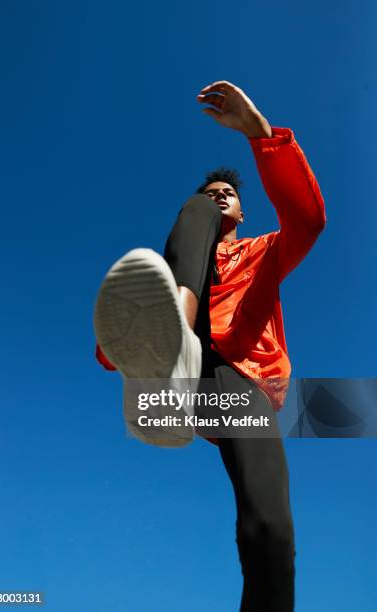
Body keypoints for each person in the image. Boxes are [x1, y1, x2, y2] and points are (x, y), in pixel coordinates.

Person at [94, 80, 326, 612]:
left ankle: (168, 368)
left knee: (270, 530)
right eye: (214, 193)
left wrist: (260, 135)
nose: (220, 198)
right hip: (184, 359)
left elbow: (309, 220)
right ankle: (171, 344)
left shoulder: (264, 252)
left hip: (237, 382)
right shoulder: (180, 247)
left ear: (244, 214)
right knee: (192, 217)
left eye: (229, 196)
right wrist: (126, 347)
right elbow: (113, 342)